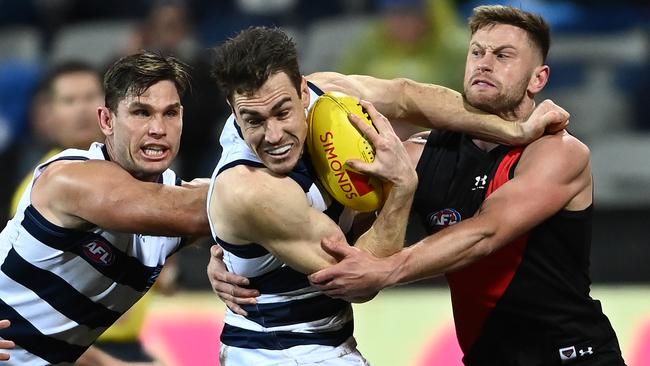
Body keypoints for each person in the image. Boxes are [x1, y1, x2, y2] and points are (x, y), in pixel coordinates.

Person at [206, 26, 570, 365]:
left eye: (282, 112)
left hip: (327, 341)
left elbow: (408, 97)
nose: (273, 135)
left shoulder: (327, 95)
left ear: (304, 90)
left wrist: (514, 130)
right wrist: (402, 189)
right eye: (253, 120)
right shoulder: (252, 189)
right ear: (232, 110)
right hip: (282, 352)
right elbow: (358, 278)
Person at [305, 5, 626, 365]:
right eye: (477, 52)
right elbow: (346, 241)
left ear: (538, 79)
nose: (484, 63)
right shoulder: (419, 154)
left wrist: (387, 270)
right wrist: (232, 251)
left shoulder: (558, 152)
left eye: (503, 55)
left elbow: (485, 234)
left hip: (573, 355)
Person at [0, 51, 209, 366]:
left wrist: (230, 256)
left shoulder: (173, 202)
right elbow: (211, 208)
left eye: (171, 113)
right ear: (107, 120)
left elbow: (53, 337)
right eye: (141, 112)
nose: (158, 128)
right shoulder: (67, 178)